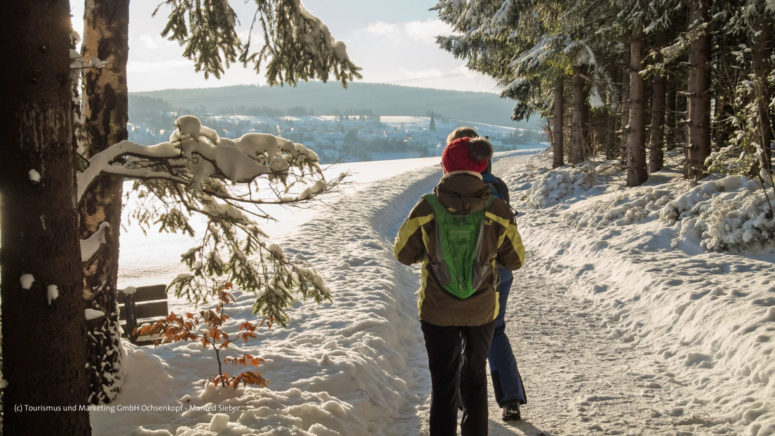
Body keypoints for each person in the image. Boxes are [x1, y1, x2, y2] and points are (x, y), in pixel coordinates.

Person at [394, 136, 526, 435]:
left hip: (437, 310)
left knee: (443, 382)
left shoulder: (426, 207)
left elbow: (403, 254)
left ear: (446, 165)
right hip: (481, 310)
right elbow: (515, 259)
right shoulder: (498, 209)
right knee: (475, 378)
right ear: (481, 165)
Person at [447, 128, 528, 422]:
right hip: (499, 269)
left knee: (455, 330)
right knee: (495, 330)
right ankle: (510, 399)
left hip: (462, 271)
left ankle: (457, 398)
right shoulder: (498, 186)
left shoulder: (445, 189)